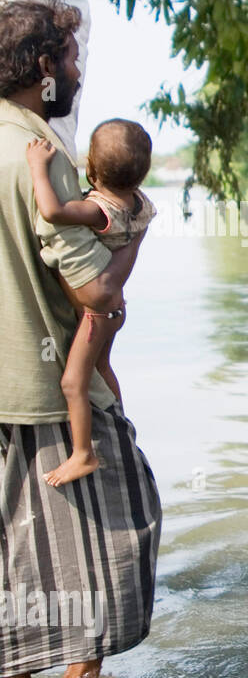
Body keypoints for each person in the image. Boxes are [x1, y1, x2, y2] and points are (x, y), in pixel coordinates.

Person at [0, 0, 162, 678]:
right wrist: (124, 264)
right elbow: (96, 290)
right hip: (46, 390)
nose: (76, 69)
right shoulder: (45, 157)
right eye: (69, 57)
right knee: (123, 535)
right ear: (42, 67)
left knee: (12, 554)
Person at [25, 119, 155, 487]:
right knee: (101, 366)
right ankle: (117, 418)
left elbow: (51, 211)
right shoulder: (139, 205)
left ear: (91, 168)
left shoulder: (99, 211)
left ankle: (83, 454)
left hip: (97, 315)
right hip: (114, 311)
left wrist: (37, 167)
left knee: (73, 382)